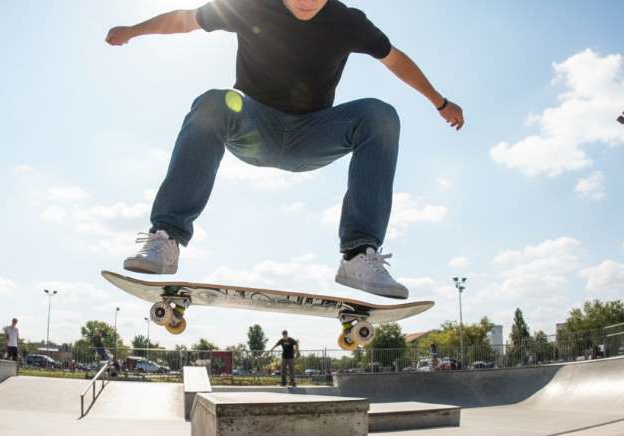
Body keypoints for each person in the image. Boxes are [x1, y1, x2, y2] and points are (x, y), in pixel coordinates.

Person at [107, 0, 464, 300]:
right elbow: (186, 21)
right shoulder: (250, 6)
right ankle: (166, 237)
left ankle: (358, 255)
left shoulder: (347, 21)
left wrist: (440, 102)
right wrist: (133, 30)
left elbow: (394, 59)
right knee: (213, 103)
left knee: (380, 116)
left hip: (313, 134)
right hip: (254, 127)